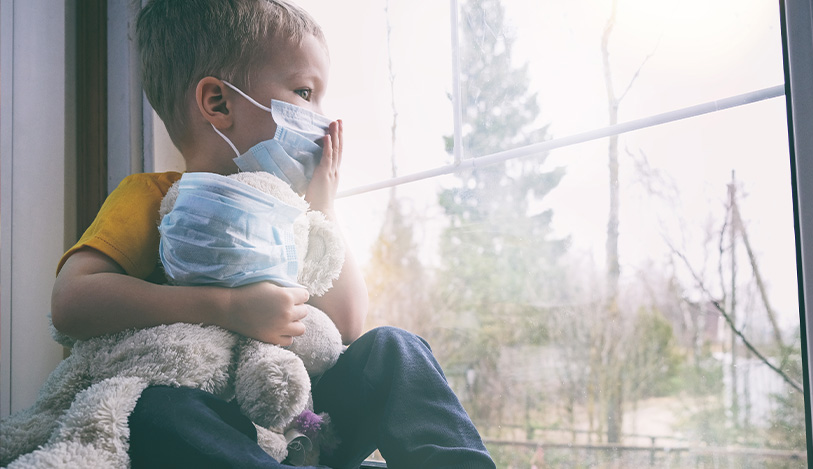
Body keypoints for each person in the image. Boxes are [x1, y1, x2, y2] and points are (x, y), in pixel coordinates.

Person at [50, 1, 496, 468]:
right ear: (218, 103)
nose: (325, 121)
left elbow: (346, 325)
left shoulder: (296, 214)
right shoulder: (154, 197)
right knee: (153, 409)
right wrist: (226, 308)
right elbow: (71, 302)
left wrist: (322, 208)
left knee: (396, 350)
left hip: (303, 430)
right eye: (305, 93)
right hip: (214, 427)